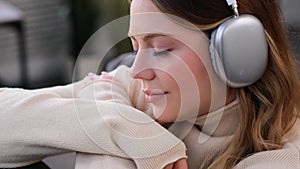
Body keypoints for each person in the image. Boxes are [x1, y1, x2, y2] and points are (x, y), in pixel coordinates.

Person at [0, 0, 299, 169]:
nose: (137, 70)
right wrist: (125, 129)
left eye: (161, 49)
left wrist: (106, 146)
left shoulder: (286, 155)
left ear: (238, 50)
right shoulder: (140, 96)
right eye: (135, 47)